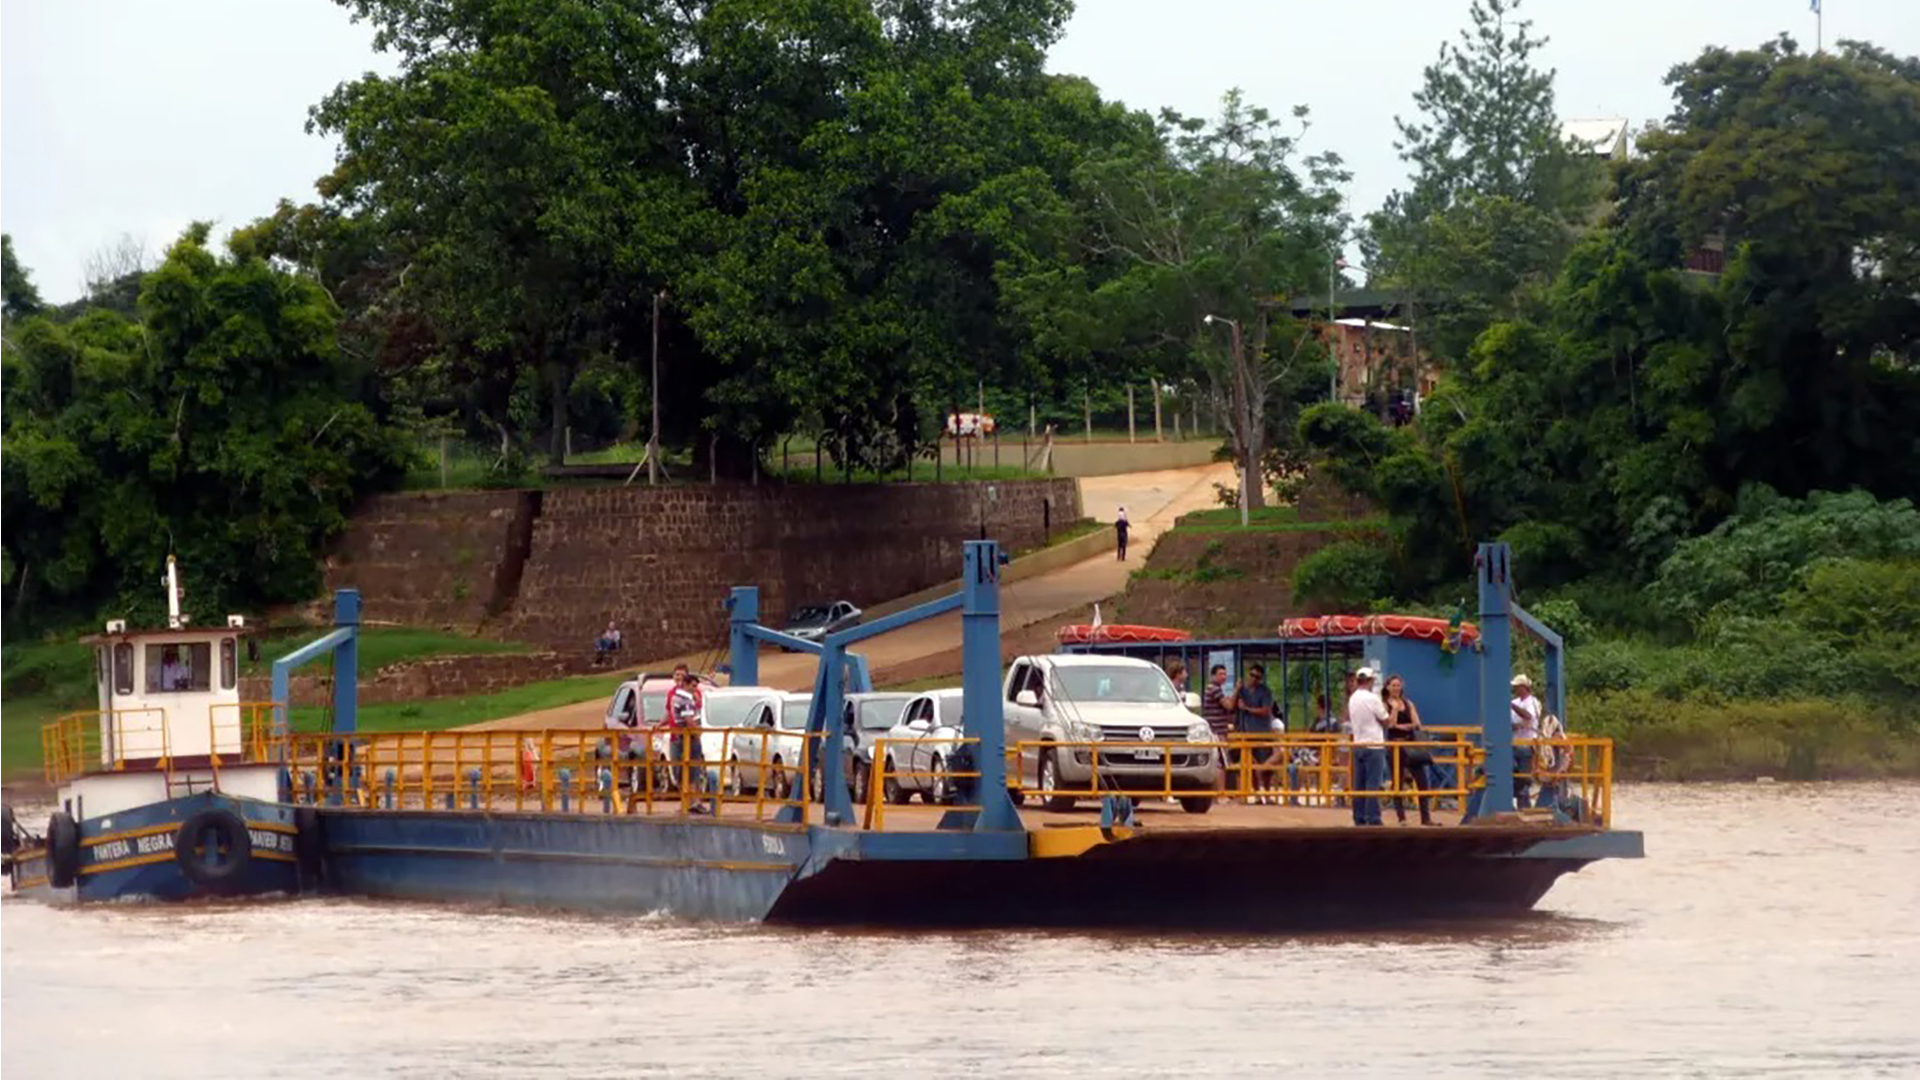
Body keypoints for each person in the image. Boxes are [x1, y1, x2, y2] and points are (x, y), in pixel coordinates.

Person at [1382, 675, 1435, 826]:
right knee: (1397, 782)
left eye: (1398, 685)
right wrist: (1395, 711)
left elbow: (1417, 723)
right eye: (1393, 685)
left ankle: (1426, 817)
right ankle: (1402, 818)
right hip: (1395, 746)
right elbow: (1390, 725)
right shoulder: (1385, 704)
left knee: (1422, 780)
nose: (1396, 688)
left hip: (1411, 745)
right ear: (1387, 687)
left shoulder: (1408, 703)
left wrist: (1405, 725)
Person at [1345, 667, 1389, 826]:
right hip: (1374, 745)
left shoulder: (1353, 698)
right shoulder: (1373, 698)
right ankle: (1373, 818)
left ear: (1357, 681)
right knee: (1373, 783)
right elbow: (1386, 720)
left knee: (1359, 784)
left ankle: (1359, 817)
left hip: (1359, 744)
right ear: (1370, 681)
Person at [666, 664, 712, 813]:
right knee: (689, 771)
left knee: (690, 771)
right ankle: (691, 802)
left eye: (681, 675)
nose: (678, 678)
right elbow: (689, 720)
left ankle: (691, 802)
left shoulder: (682, 696)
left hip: (682, 737)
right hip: (686, 738)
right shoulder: (683, 699)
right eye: (676, 675)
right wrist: (697, 733)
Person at [1232, 664, 1278, 804]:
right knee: (1249, 765)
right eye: (1252, 675)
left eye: (1257, 677)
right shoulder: (1242, 691)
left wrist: (1247, 708)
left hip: (1261, 732)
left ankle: (1268, 794)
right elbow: (1231, 706)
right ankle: (1257, 794)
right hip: (1245, 733)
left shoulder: (1264, 692)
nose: (1253, 679)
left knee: (1265, 766)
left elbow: (1266, 710)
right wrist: (1236, 690)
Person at [1510, 673, 1542, 808]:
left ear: (1524, 687)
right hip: (1515, 742)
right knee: (1514, 775)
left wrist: (1512, 705)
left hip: (1527, 744)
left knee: (1524, 776)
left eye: (1517, 687)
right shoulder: (1516, 702)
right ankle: (1519, 803)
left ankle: (1525, 805)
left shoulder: (1533, 702)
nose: (1515, 689)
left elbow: (1528, 716)